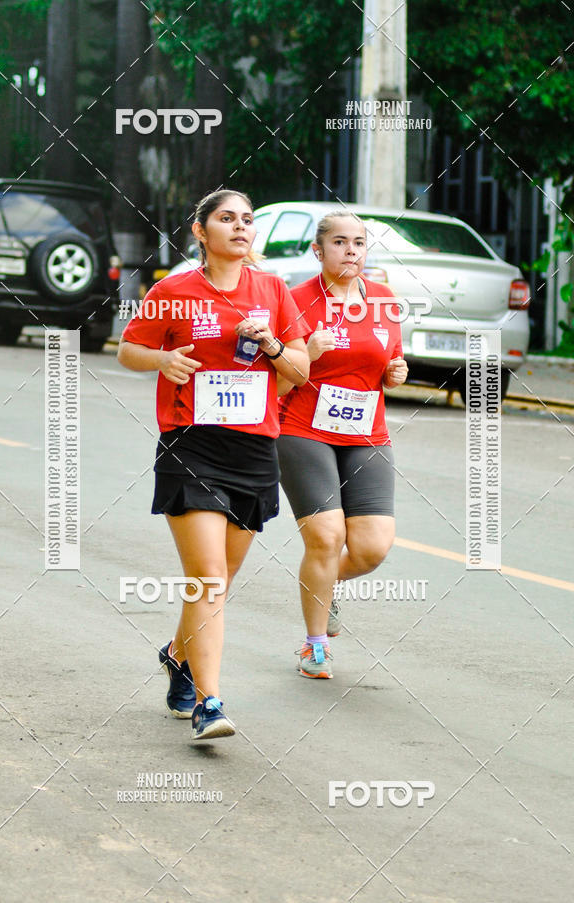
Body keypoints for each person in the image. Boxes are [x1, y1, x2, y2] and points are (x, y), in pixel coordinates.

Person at [118, 189, 309, 739]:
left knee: (217, 581)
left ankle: (178, 656)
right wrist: (162, 358)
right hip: (192, 447)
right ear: (201, 231)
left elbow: (300, 371)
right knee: (209, 581)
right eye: (227, 219)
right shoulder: (173, 291)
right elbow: (129, 349)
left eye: (247, 219)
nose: (241, 227)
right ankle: (210, 704)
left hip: (254, 452)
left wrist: (273, 346)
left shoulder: (272, 290)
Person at [276, 210, 408, 678]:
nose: (351, 250)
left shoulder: (384, 300)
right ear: (318, 250)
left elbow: (389, 362)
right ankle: (314, 647)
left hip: (366, 434)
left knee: (372, 549)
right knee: (327, 537)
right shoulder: (294, 302)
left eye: (359, 242)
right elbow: (275, 384)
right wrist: (307, 355)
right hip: (302, 430)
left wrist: (395, 372)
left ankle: (325, 585)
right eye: (339, 242)